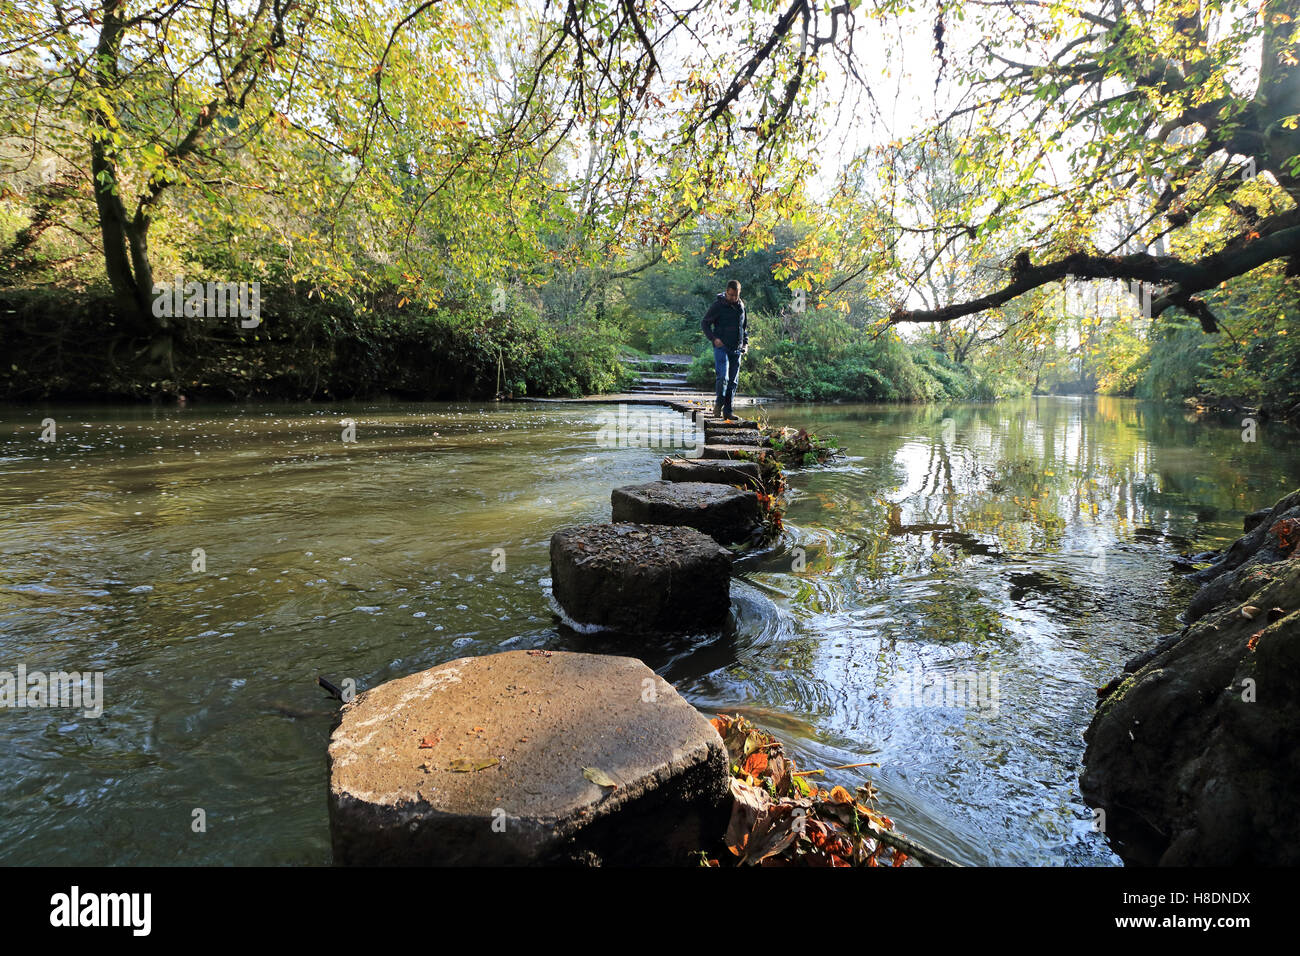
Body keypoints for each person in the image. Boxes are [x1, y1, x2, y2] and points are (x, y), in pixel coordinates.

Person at [701, 279, 748, 419]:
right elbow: (704, 323)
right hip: (721, 347)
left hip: (737, 348)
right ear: (726, 291)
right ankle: (718, 403)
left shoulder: (741, 306)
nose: (733, 298)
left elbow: (744, 327)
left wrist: (746, 343)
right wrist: (714, 339)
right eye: (731, 295)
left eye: (736, 295)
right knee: (723, 377)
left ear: (739, 293)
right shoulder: (718, 305)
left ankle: (728, 412)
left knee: (733, 381)